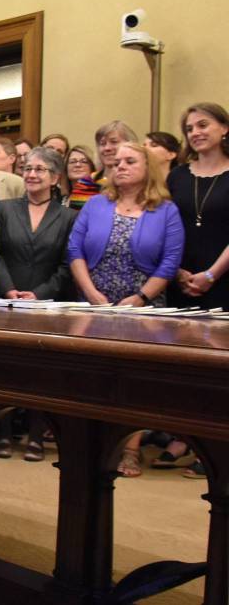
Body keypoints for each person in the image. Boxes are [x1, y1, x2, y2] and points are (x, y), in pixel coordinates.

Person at [68, 142, 184, 477]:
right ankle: (90, 445)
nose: (120, 166)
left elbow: (170, 260)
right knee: (92, 376)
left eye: (130, 161)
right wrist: (90, 293)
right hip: (95, 303)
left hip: (142, 307)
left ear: (148, 166)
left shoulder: (165, 210)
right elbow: (75, 249)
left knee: (133, 383)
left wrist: (141, 299)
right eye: (115, 162)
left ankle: (130, 450)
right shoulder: (95, 205)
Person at [0, 147, 76, 461]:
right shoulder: (4, 208)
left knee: (40, 373)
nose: (31, 174)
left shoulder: (68, 217)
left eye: (40, 169)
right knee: (4, 370)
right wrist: (8, 288)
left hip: (46, 304)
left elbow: (68, 265)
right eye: (27, 168)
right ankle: (0, 433)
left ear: (54, 178)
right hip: (7, 299)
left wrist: (39, 294)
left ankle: (36, 436)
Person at [167, 103, 229, 480]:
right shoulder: (176, 176)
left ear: (224, 128)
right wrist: (176, 272)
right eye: (189, 128)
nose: (195, 133)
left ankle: (215, 445)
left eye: (203, 124)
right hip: (180, 279)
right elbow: (163, 225)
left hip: (222, 278)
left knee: (219, 368)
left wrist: (210, 274)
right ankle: (184, 437)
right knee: (183, 367)